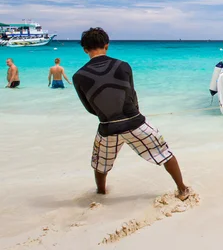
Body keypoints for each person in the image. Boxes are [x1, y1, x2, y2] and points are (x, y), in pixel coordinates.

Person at [72, 27, 190, 200]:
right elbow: (132, 95)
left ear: (84, 49)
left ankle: (101, 193)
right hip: (134, 121)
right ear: (107, 45)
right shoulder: (123, 66)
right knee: (164, 154)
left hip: (107, 127)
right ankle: (182, 190)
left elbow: (89, 108)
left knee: (100, 164)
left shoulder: (78, 76)